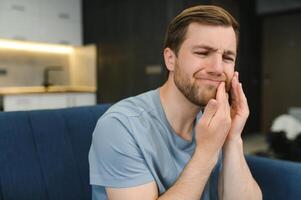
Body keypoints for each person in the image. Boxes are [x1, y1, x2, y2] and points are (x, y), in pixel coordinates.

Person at [89, 4, 262, 200]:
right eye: (203, 53)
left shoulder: (216, 122)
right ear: (170, 59)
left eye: (227, 57)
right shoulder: (120, 126)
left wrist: (232, 137)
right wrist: (206, 152)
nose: (217, 68)